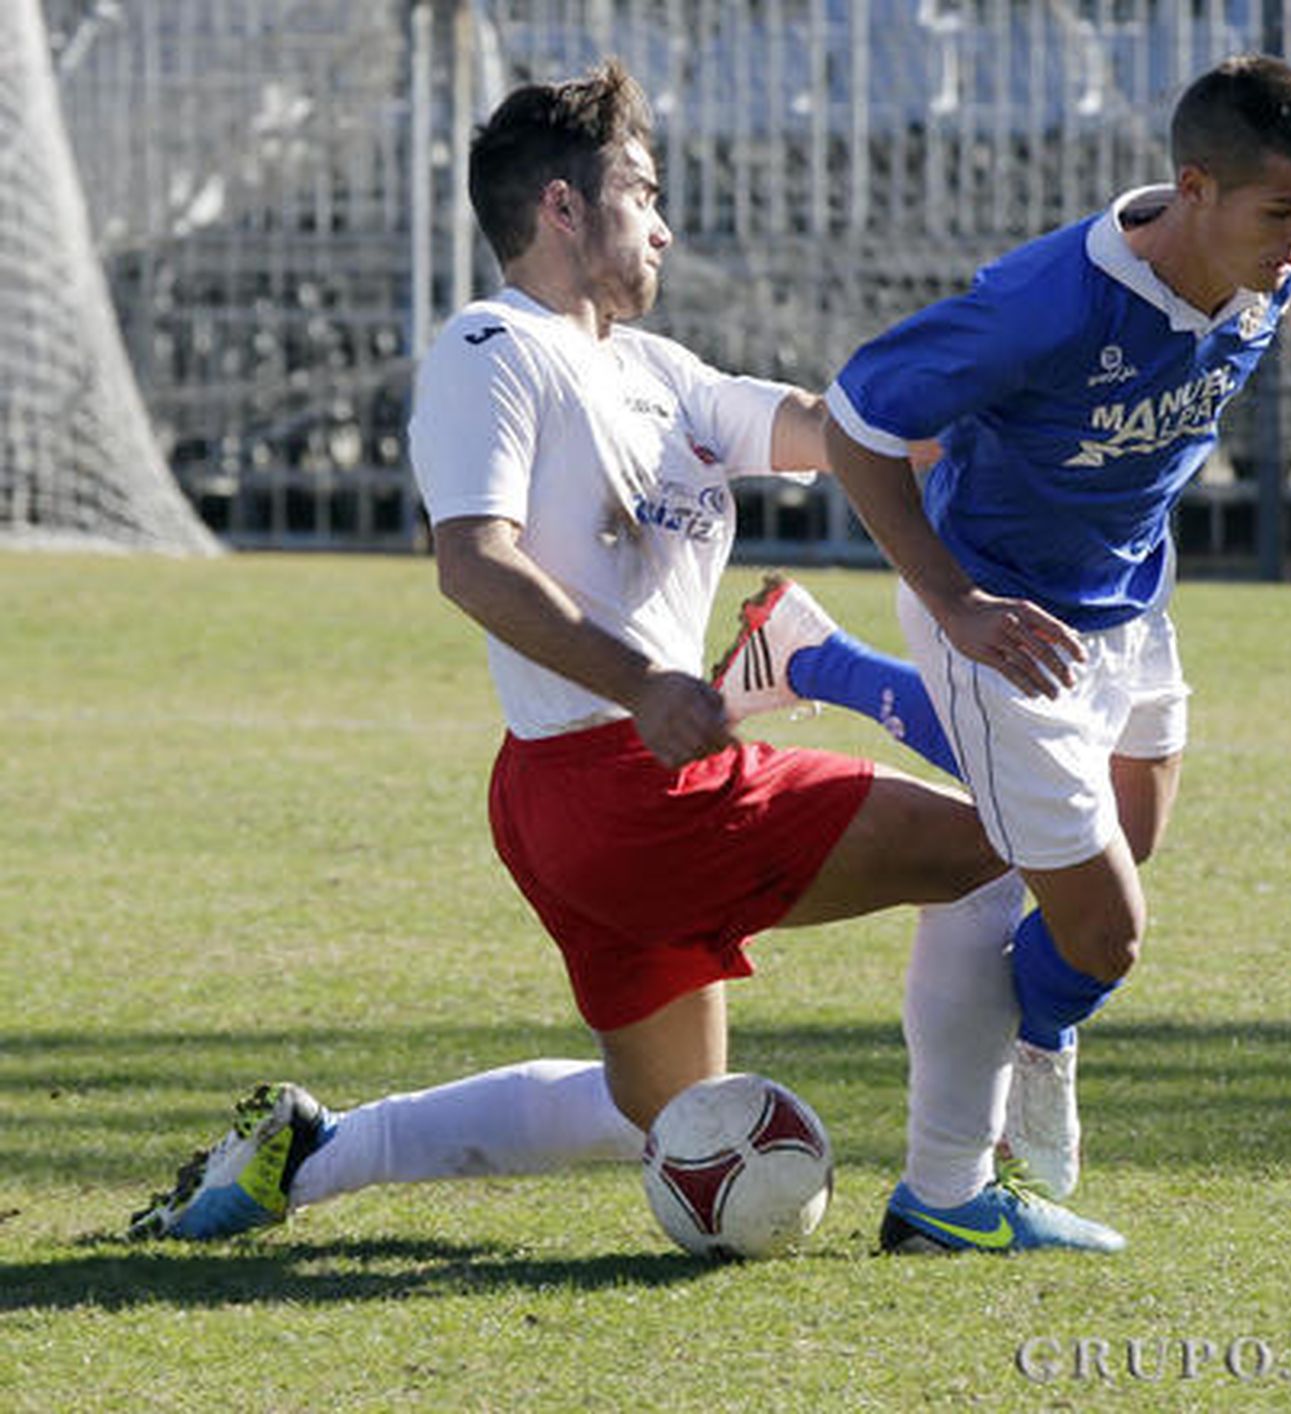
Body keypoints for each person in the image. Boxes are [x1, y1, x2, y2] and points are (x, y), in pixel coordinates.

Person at [128, 59, 1121, 1257]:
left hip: (591, 796)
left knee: (656, 1111)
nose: (661, 225)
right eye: (640, 193)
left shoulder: (661, 373)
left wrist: (1000, 385)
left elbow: (833, 432)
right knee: (1008, 850)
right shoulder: (494, 348)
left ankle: (316, 1151)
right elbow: (472, 560)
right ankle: (952, 1195)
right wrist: (644, 682)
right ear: (561, 206)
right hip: (631, 783)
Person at [721, 54, 1291, 1189]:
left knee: (1129, 833)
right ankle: (1027, 1061)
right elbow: (858, 418)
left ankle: (812, 656)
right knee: (1103, 935)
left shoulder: (1269, 253)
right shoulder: (1048, 304)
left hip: (1130, 594)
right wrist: (953, 602)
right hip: (1008, 619)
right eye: (1282, 209)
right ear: (1192, 189)